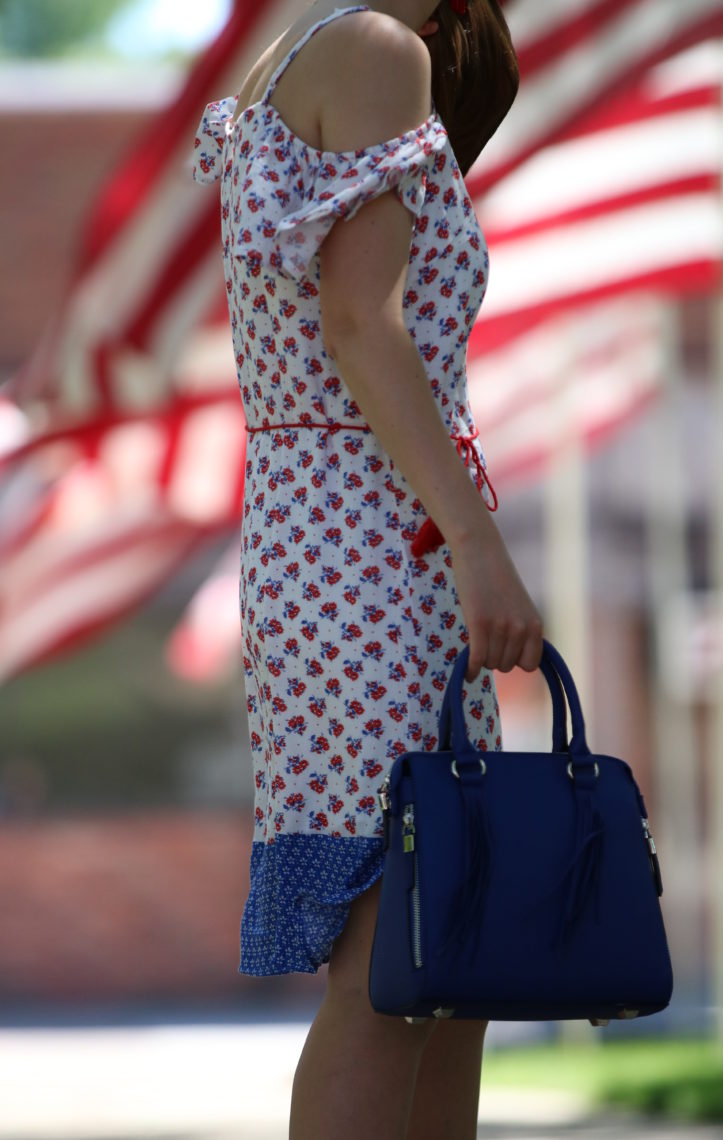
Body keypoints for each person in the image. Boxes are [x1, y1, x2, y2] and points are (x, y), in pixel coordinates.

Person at [192, 2, 543, 1136]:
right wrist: (478, 544)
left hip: (327, 527)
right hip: (366, 537)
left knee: (443, 960)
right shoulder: (373, 49)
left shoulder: (300, 51)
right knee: (398, 959)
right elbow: (360, 324)